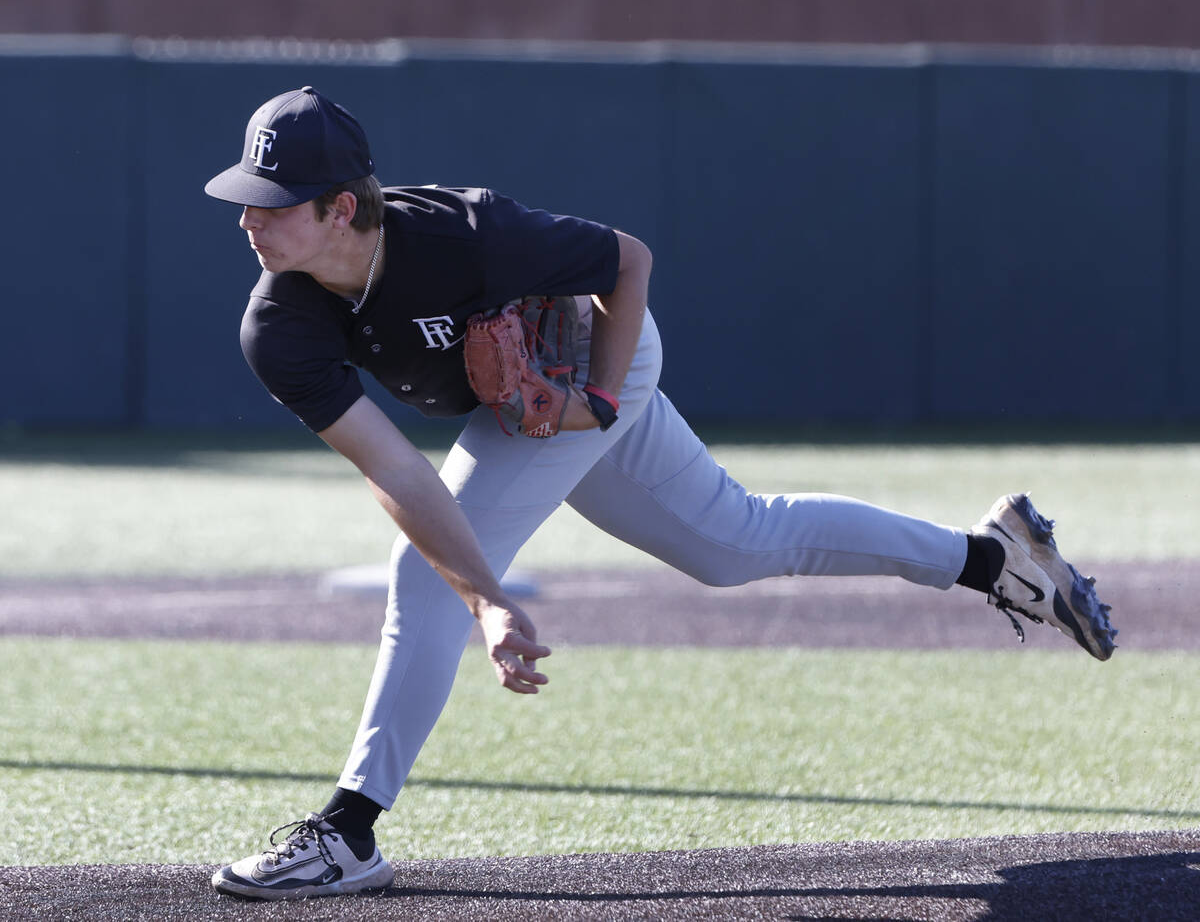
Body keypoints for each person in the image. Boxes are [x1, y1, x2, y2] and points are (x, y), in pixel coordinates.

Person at [203, 86, 1117, 901]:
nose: (249, 219)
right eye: (246, 197)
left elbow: (627, 262)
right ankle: (992, 559)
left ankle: (348, 832)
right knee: (734, 545)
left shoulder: (466, 233)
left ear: (341, 207)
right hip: (527, 408)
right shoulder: (277, 325)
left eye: (272, 204)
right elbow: (396, 469)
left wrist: (596, 402)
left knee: (423, 578)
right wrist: (486, 592)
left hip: (609, 361)